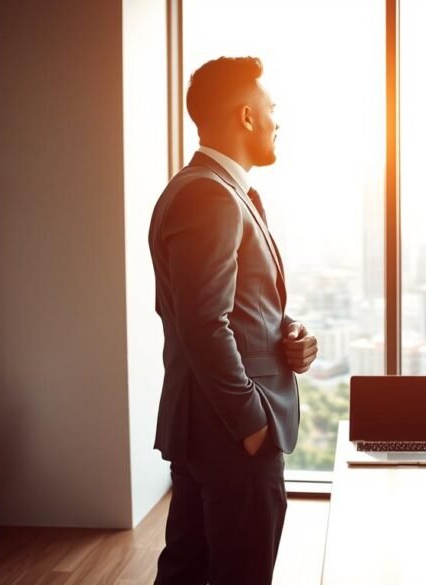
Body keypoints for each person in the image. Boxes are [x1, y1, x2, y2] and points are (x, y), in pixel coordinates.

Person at [149, 56, 318, 585]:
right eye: (271, 108)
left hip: (208, 424)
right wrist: (252, 424)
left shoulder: (223, 192)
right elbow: (204, 323)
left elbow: (233, 307)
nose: (277, 120)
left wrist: (289, 333)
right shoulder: (208, 195)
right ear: (246, 117)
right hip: (228, 429)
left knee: (188, 570)